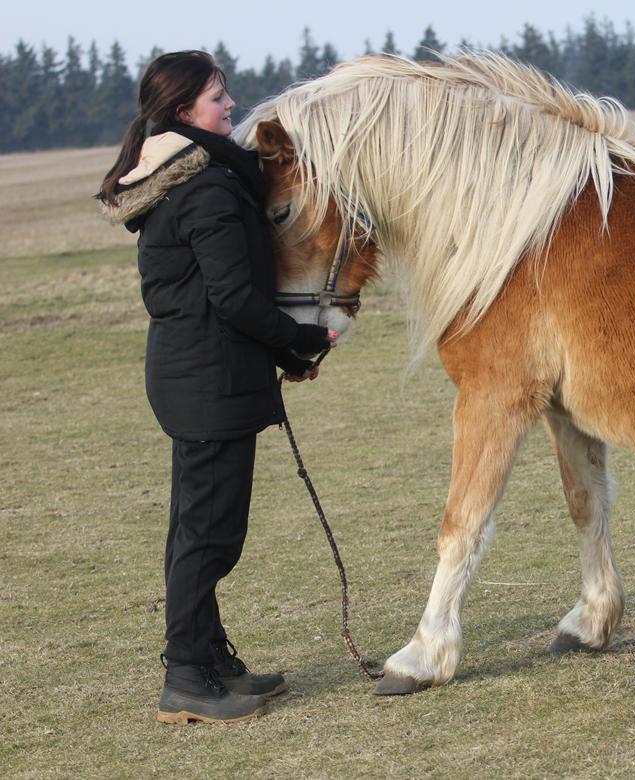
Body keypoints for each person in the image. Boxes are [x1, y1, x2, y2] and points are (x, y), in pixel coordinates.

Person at [98, 50, 333, 724]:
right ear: (183, 114)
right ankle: (185, 678)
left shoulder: (195, 178)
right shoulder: (204, 188)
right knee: (209, 535)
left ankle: (208, 659)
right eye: (217, 98)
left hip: (202, 373)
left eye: (225, 95)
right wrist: (301, 341)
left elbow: (225, 296)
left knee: (196, 528)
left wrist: (283, 352)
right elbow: (234, 297)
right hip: (208, 380)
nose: (230, 107)